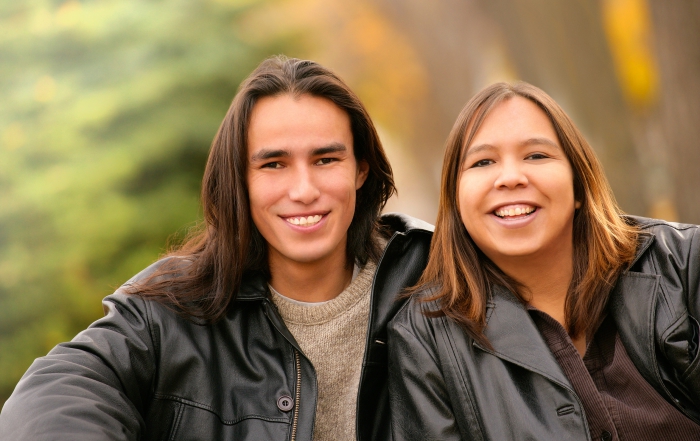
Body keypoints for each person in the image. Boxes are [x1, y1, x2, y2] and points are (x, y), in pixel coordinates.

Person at [0, 56, 433, 440]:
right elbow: (53, 391)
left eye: (325, 160)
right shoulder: (170, 309)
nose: (304, 190)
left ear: (360, 169)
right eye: (274, 164)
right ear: (240, 182)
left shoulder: (434, 278)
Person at [388, 81, 700, 440]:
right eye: (483, 161)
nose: (510, 178)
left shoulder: (683, 264)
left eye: (536, 155)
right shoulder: (424, 339)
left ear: (579, 185)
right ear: (456, 200)